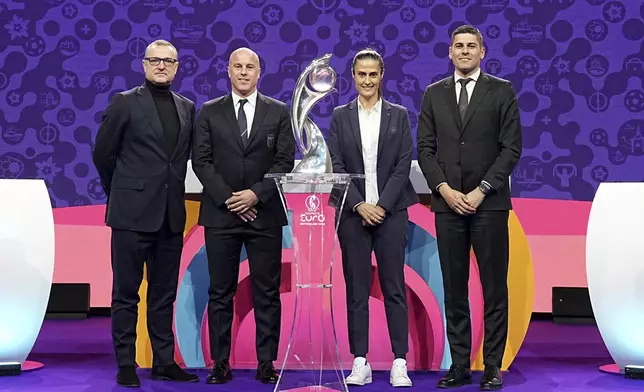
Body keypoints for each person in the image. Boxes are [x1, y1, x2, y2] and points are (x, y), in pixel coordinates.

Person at [417, 25, 522, 390]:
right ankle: (460, 363)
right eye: (458, 46)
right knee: (454, 287)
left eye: (471, 46)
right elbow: (425, 151)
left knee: (495, 288)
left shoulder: (502, 91)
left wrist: (482, 190)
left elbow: (511, 149)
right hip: (447, 207)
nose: (464, 51)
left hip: (489, 205)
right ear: (449, 53)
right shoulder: (434, 94)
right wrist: (443, 190)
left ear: (482, 51)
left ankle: (492, 365)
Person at [92, 39, 199, 387]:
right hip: (130, 215)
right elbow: (103, 154)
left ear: (177, 66)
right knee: (126, 291)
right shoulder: (124, 103)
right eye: (155, 60)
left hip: (170, 215)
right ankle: (126, 363)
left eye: (169, 61)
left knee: (163, 292)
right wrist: (121, 192)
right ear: (144, 64)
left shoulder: (187, 107)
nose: (162, 66)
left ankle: (163, 361)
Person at [191, 47, 295, 385]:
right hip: (221, 217)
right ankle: (220, 363)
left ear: (259, 72)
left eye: (250, 67)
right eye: (237, 66)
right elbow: (202, 161)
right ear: (228, 71)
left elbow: (284, 161)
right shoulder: (209, 112)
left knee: (267, 292)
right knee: (221, 292)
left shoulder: (278, 112)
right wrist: (229, 198)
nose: (244, 72)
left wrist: (255, 194)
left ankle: (267, 363)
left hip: (264, 216)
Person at [327, 48, 418, 388]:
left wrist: (380, 204)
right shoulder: (340, 116)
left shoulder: (398, 114)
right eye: (361, 74)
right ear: (354, 77)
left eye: (373, 74)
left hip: (391, 213)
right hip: (353, 214)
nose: (367, 80)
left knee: (394, 287)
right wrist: (359, 204)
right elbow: (336, 166)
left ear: (382, 77)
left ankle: (399, 361)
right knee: (357, 290)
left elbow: (401, 165)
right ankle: (360, 360)